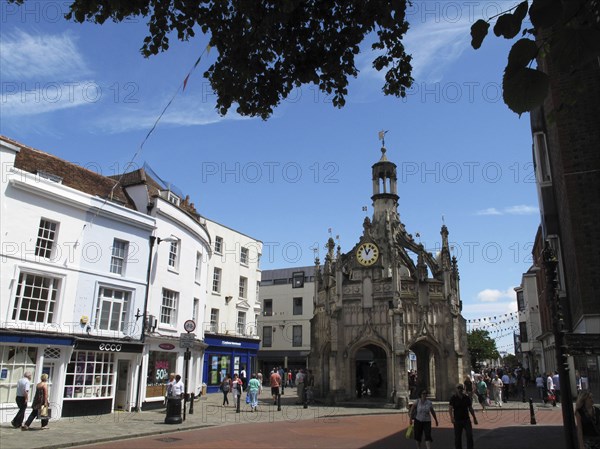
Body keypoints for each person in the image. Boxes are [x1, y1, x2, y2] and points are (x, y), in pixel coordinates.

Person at [449, 383, 478, 449]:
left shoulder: (466, 398)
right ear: (456, 389)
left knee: (469, 435)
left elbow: (470, 408)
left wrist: (474, 418)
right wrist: (451, 417)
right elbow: (450, 408)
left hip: (466, 420)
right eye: (458, 388)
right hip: (457, 420)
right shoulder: (453, 398)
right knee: (458, 437)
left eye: (461, 388)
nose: (460, 389)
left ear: (463, 389)